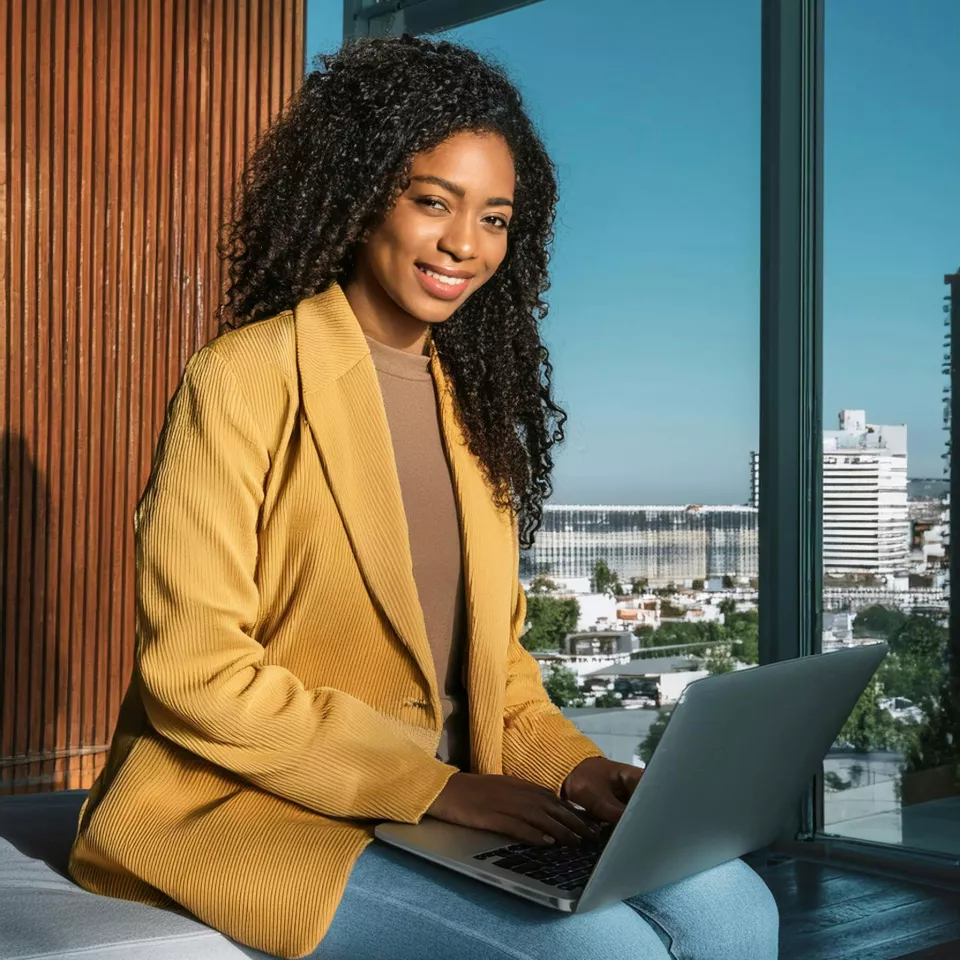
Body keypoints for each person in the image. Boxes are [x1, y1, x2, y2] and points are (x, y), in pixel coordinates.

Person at [68, 34, 779, 960]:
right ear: (362, 199)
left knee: (737, 910)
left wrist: (580, 771)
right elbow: (197, 674)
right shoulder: (242, 378)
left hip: (448, 794)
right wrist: (431, 788)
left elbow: (496, 672)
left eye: (495, 217)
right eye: (433, 203)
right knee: (606, 955)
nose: (463, 244)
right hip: (254, 801)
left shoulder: (472, 406)